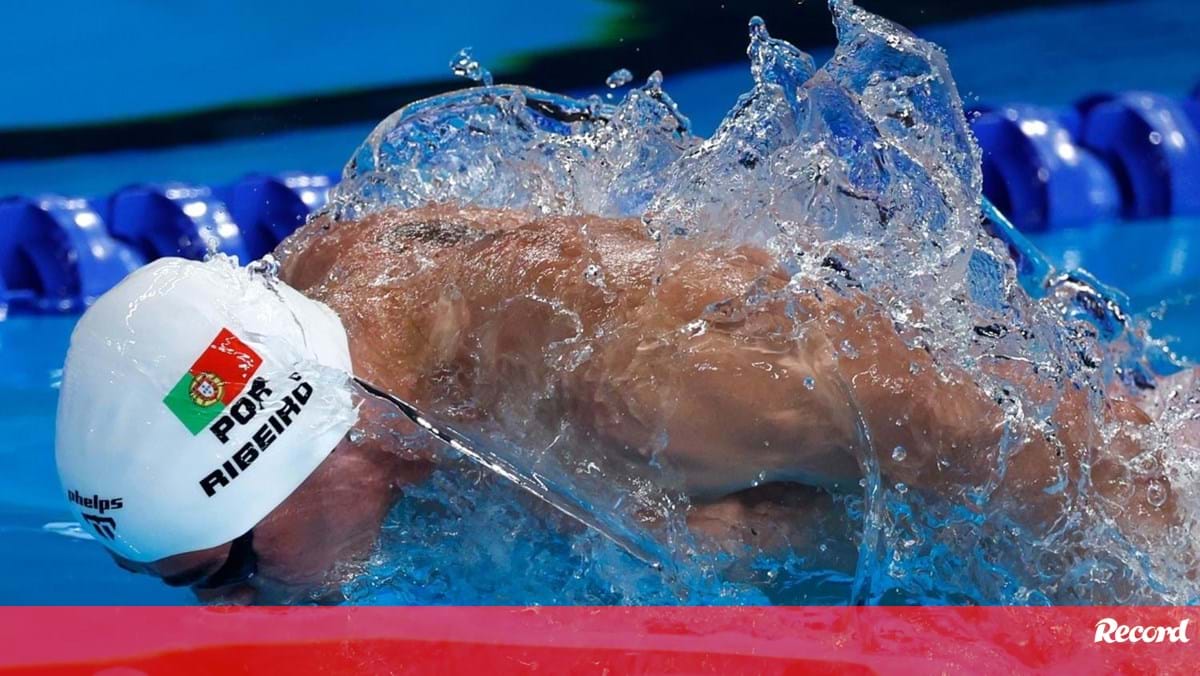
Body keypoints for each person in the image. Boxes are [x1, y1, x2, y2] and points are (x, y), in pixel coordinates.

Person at [55, 205, 1185, 604]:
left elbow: (1079, 460)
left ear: (309, 450)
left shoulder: (649, 375)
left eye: (229, 574)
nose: (232, 618)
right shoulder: (327, 325)